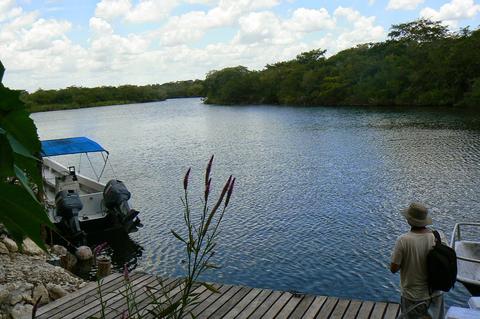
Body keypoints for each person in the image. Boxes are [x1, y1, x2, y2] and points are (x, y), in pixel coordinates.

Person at [390, 203, 445, 319]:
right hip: (436, 294)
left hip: (413, 297)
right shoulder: (439, 236)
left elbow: (393, 269)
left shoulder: (403, 240)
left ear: (409, 221)